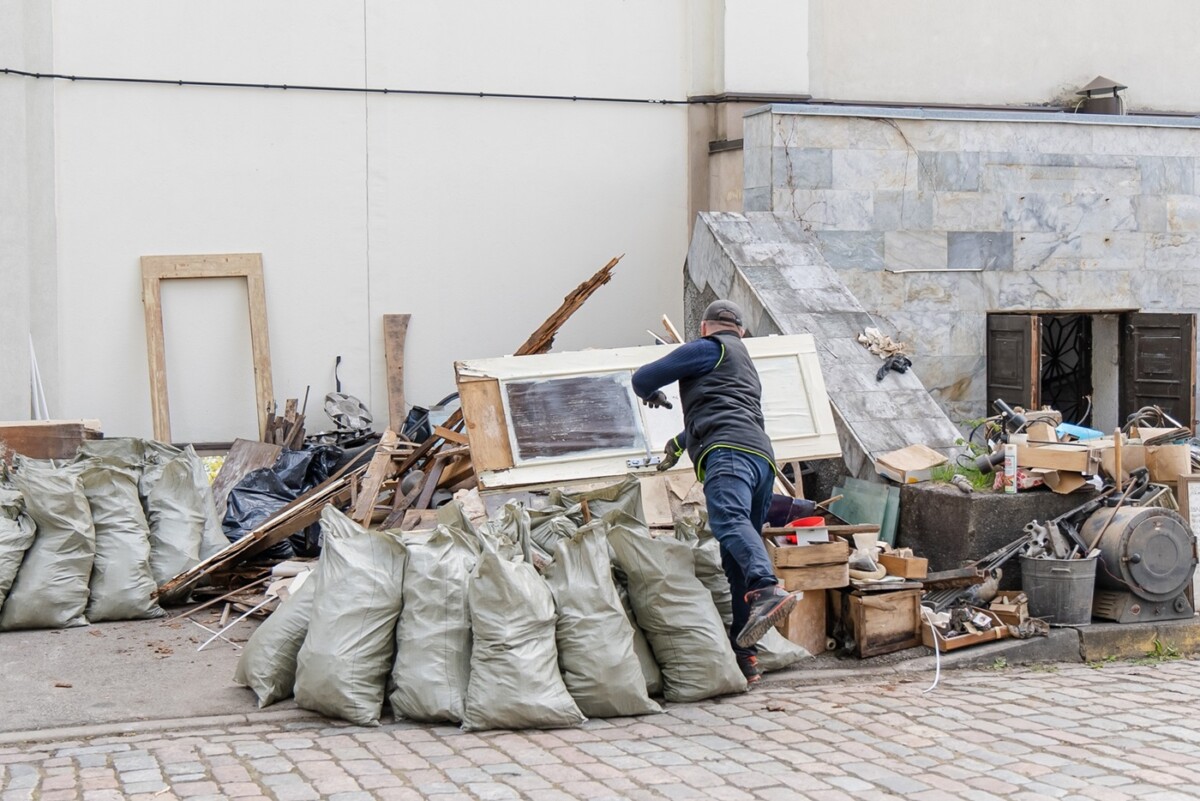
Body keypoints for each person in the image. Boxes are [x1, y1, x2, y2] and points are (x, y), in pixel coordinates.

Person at [632, 299, 798, 684]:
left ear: (706, 327)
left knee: (728, 522)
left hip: (728, 454)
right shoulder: (744, 364)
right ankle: (746, 657)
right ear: (740, 330)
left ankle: (766, 588)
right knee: (735, 558)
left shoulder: (708, 348)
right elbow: (722, 408)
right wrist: (679, 443)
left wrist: (654, 395)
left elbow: (644, 378)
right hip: (761, 459)